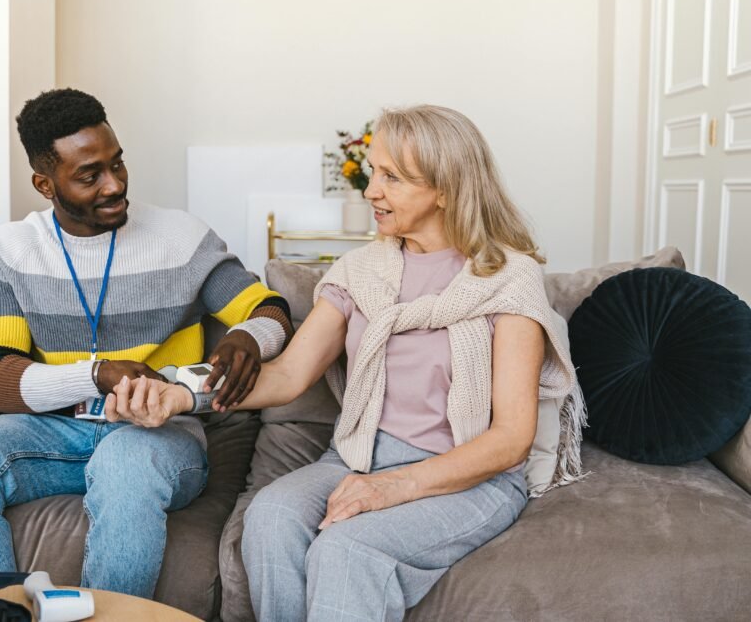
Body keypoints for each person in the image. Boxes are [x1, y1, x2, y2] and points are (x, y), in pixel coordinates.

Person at [104, 105, 585, 620]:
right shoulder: (361, 271)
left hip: (469, 476)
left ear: (445, 189)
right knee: (269, 516)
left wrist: (393, 487)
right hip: (358, 454)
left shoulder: (507, 279)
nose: (371, 190)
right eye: (374, 171)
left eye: (392, 178)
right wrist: (182, 393)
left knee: (346, 549)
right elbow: (287, 375)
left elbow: (512, 437)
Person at [0, 88, 293, 598]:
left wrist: (248, 337)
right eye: (90, 175)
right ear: (44, 183)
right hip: (59, 436)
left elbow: (269, 309)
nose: (114, 185)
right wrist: (96, 374)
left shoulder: (180, 237)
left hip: (161, 436)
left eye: (117, 164)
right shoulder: (11, 249)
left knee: (124, 462)